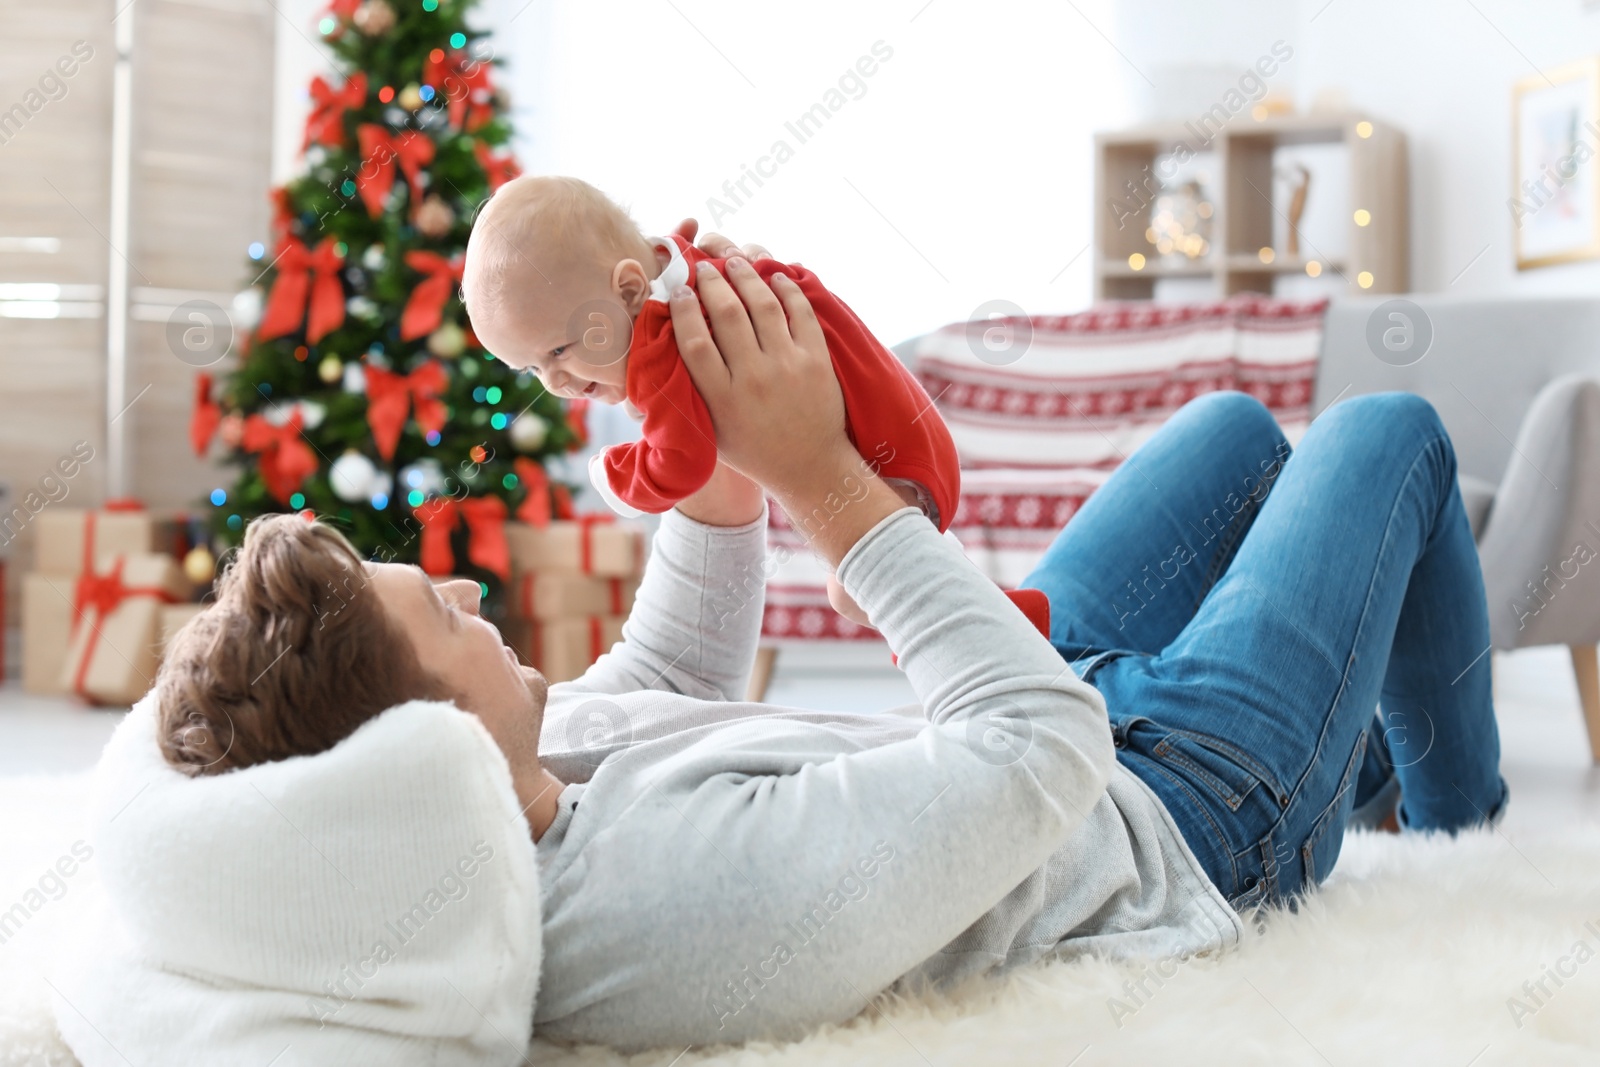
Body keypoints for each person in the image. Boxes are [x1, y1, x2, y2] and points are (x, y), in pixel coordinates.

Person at [157, 228, 1506, 1053]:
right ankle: (1457, 831)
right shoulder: (652, 906)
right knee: (1385, 432)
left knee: (1230, 433)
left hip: (1025, 708)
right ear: (415, 752)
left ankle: (1372, 748)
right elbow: (1041, 746)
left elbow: (671, 676)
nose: (472, 597)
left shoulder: (516, 770)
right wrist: (826, 481)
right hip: (1174, 816)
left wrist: (726, 474)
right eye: (439, 619)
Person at [457, 176, 1045, 634]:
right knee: (888, 581)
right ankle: (1015, 619)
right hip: (910, 433)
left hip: (886, 457)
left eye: (558, 350)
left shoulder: (665, 343)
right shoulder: (688, 263)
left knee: (858, 589)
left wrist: (617, 475)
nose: (554, 381)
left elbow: (680, 464)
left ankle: (1014, 632)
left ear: (631, 290)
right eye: (533, 368)